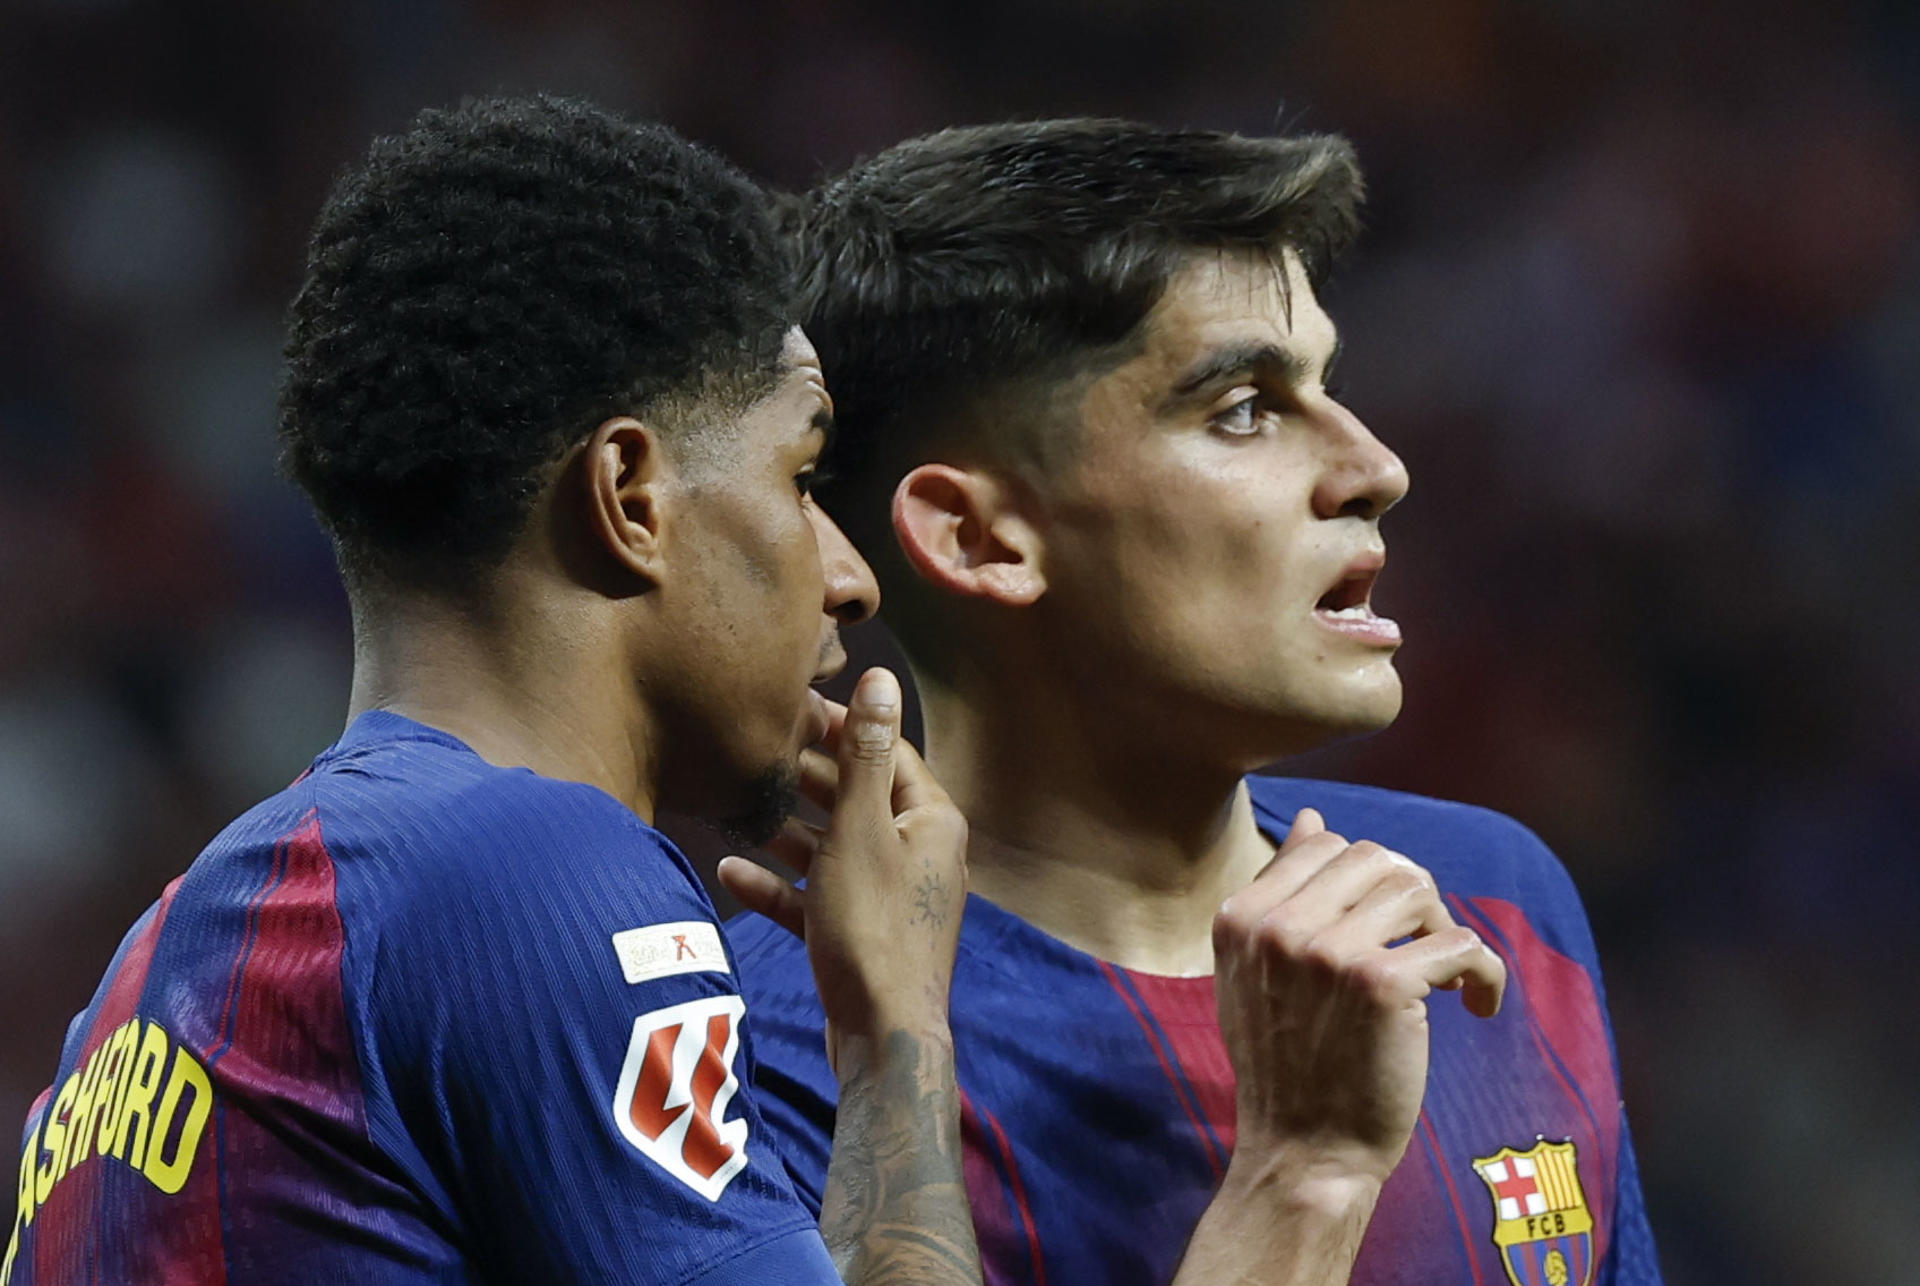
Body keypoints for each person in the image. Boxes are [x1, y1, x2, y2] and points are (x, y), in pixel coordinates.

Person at [1, 96, 985, 1286]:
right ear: (629, 495)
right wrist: (893, 1038)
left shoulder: (144, 974)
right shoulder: (530, 867)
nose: (849, 574)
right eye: (802, 474)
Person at [729, 119, 1664, 1285]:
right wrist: (1304, 1171)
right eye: (1243, 408)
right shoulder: (776, 1054)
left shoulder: (1496, 901)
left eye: (1326, 383)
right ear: (980, 537)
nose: (1375, 465)